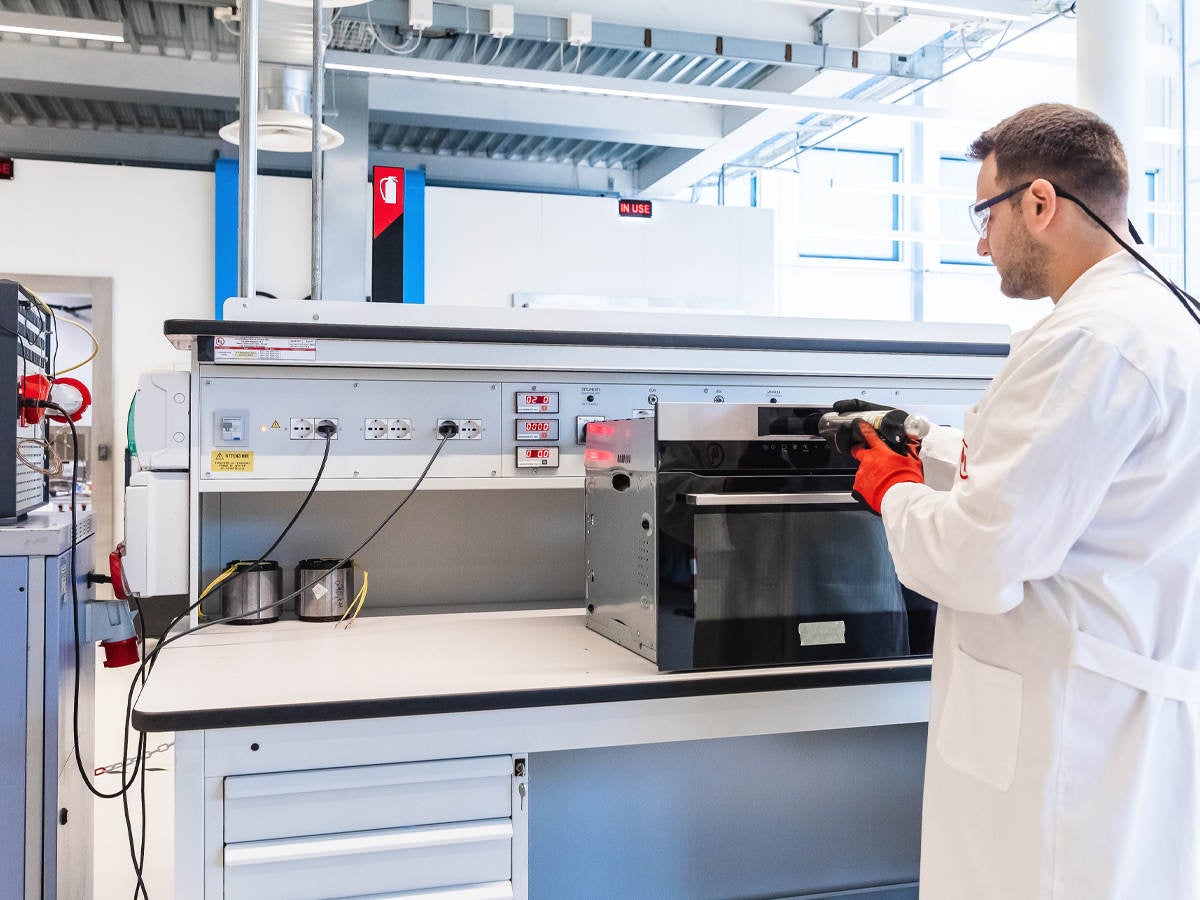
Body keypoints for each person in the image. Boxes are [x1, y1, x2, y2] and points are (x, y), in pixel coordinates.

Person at [846, 103, 1200, 899]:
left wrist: (894, 491)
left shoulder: (1091, 340)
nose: (980, 242)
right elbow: (1073, 488)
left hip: (1064, 725)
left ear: (1039, 204)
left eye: (986, 213)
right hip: (1125, 694)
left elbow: (982, 558)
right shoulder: (1159, 319)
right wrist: (929, 446)